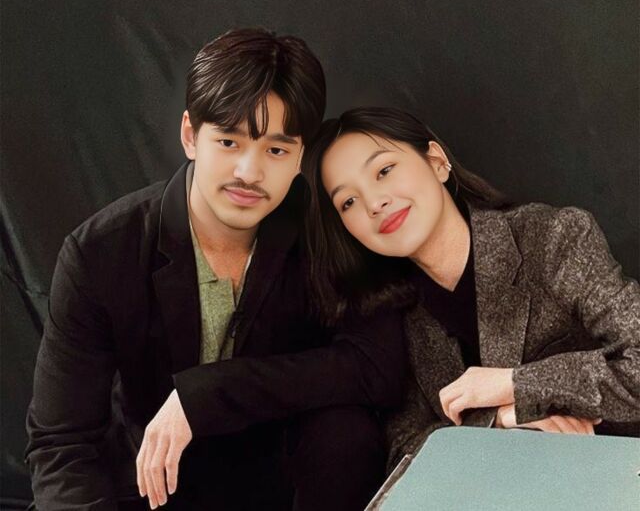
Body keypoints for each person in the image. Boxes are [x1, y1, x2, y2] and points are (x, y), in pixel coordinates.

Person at [26, 31, 405, 511]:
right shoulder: (101, 251)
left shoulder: (325, 229)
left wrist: (206, 394)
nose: (249, 172)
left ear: (301, 156)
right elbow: (61, 442)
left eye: (276, 150)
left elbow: (377, 366)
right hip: (153, 488)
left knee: (346, 432)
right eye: (228, 141)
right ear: (190, 135)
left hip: (277, 487)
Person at [302, 106, 640, 471]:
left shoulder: (552, 237)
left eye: (384, 171)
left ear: (436, 162)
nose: (373, 203)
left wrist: (515, 385)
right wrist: (498, 422)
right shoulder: (390, 312)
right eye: (348, 202)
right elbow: (403, 447)